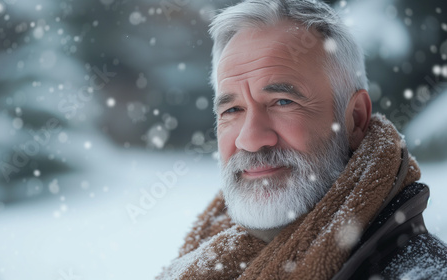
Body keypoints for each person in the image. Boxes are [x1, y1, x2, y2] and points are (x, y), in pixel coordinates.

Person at [158, 0, 447, 279]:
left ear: (356, 118)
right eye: (232, 109)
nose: (251, 139)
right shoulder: (208, 257)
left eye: (282, 101)